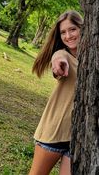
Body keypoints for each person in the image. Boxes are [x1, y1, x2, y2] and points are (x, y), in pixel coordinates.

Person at [28, 10, 83, 175]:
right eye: (63, 32)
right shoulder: (63, 55)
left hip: (77, 137)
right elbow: (58, 58)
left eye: (72, 29)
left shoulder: (93, 57)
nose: (68, 36)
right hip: (54, 133)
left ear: (82, 28)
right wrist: (57, 62)